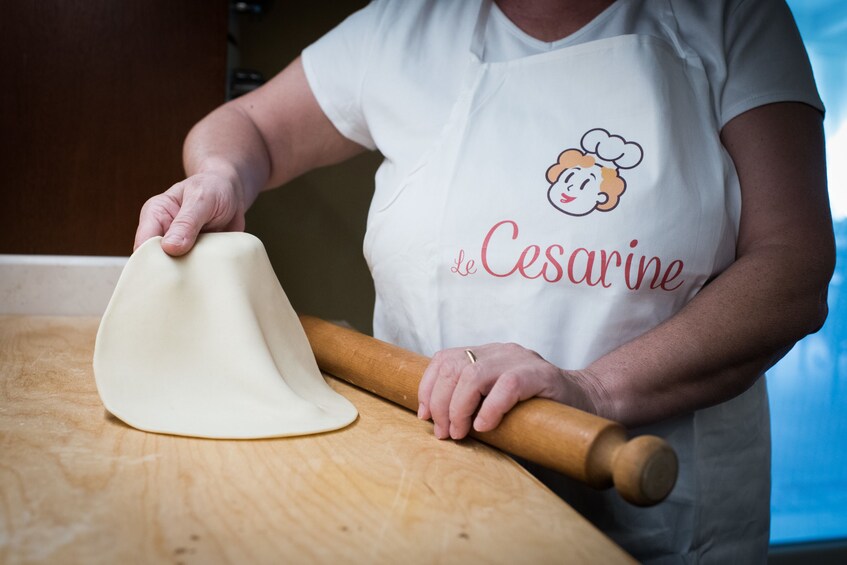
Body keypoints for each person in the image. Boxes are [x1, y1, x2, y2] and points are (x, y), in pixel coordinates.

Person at [134, 0, 834, 562]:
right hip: (430, 491)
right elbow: (246, 126)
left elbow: (791, 265)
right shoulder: (399, 27)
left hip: (651, 505)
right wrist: (221, 176)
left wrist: (588, 390)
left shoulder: (733, 17)